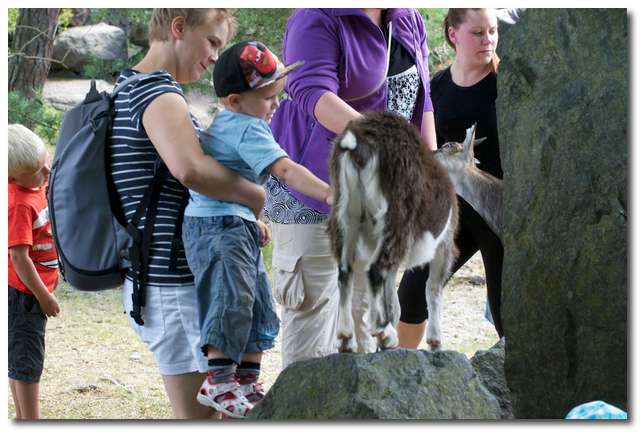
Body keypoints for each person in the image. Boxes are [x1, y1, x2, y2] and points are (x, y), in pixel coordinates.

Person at [108, 9, 266, 419]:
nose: (216, 56)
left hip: (167, 278)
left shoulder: (131, 85)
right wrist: (254, 195)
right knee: (201, 418)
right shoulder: (157, 93)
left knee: (218, 409)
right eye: (212, 42)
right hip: (171, 279)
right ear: (179, 28)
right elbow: (189, 169)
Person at [266, 8, 438, 368]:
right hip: (312, 194)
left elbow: (422, 101)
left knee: (364, 331)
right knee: (312, 346)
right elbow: (312, 93)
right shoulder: (316, 17)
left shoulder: (408, 18)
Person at [182, 40, 331, 418]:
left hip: (235, 223)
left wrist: (257, 219)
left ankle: (247, 381)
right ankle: (218, 380)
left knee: (259, 302)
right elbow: (286, 170)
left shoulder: (236, 122)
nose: (276, 107)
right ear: (234, 100)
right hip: (219, 226)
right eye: (268, 99)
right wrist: (331, 193)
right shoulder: (247, 128)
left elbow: (237, 176)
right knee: (231, 297)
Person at [396, 8, 504, 348]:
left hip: (500, 214)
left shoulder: (507, 83)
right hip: (450, 211)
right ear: (454, 34)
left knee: (506, 311)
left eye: (493, 31)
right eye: (477, 32)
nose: (488, 40)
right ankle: (399, 375)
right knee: (411, 294)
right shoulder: (435, 88)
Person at [8, 124, 60, 419]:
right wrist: (44, 297)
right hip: (23, 295)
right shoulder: (17, 203)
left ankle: (21, 417)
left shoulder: (35, 185)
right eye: (39, 170)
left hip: (29, 293)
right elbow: (19, 258)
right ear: (13, 177)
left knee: (20, 357)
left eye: (46, 163)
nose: (47, 173)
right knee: (26, 361)